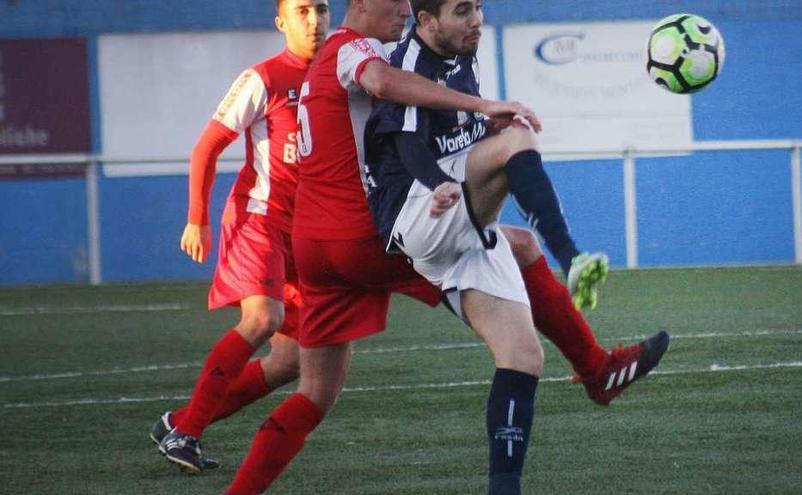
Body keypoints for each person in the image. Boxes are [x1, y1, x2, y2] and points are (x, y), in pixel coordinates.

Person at [225, 1, 667, 493]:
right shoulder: (355, 49)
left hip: (316, 247)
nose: (405, 10)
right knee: (512, 255)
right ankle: (595, 367)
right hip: (369, 239)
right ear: (363, 3)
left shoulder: (325, 64)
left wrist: (472, 123)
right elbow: (384, 84)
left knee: (311, 389)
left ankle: (193, 427)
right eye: (398, 2)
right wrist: (481, 110)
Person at [150, 0, 331, 474]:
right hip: (259, 219)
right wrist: (197, 218)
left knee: (291, 360)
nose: (314, 21)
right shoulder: (264, 78)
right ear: (282, 22)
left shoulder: (339, 79)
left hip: (307, 234)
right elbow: (207, 146)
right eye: (303, 11)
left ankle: (179, 423)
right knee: (262, 318)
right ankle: (186, 435)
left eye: (322, 10)